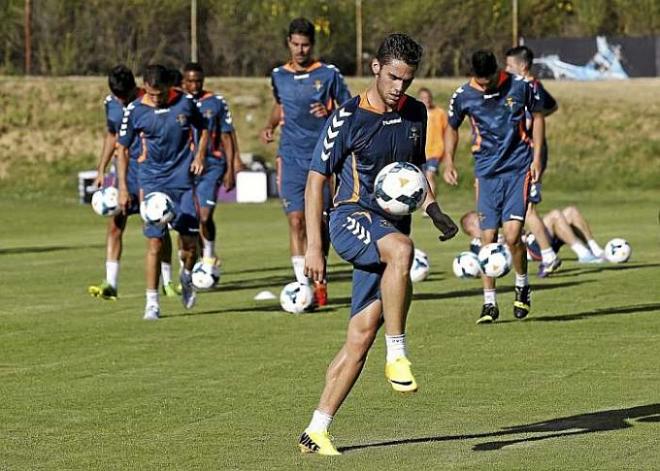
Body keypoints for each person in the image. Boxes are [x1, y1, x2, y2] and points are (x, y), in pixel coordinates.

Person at [299, 33, 458, 456]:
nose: (398, 88)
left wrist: (434, 210)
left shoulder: (417, 113)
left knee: (360, 335)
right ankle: (399, 353)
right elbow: (316, 179)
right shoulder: (346, 117)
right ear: (375, 68)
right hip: (351, 219)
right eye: (392, 78)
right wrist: (314, 246)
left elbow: (413, 172)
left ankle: (317, 429)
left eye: (406, 80)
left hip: (390, 229)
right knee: (403, 251)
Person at [443, 50, 544, 324]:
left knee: (512, 236)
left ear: (497, 72)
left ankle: (522, 285)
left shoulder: (519, 86)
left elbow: (539, 116)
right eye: (481, 83)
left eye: (490, 82)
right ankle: (489, 304)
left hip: (517, 169)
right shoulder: (463, 95)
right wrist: (449, 160)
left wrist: (537, 158)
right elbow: (451, 127)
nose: (486, 87)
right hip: (486, 174)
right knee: (486, 240)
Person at [260, 17, 351, 307]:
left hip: (322, 156)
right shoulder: (278, 75)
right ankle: (302, 287)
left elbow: (348, 109)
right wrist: (270, 125)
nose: (300, 50)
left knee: (320, 224)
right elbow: (280, 105)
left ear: (313, 45)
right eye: (296, 44)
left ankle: (320, 278)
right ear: (289, 43)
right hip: (290, 156)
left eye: (305, 45)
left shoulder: (328, 74)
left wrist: (329, 109)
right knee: (296, 221)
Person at [116, 65, 209, 320]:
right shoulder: (134, 110)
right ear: (144, 86)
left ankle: (187, 275)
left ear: (170, 88)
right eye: (151, 94)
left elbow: (204, 129)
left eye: (161, 94)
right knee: (155, 242)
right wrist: (124, 187)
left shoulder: (186, 103)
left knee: (190, 245)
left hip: (182, 181)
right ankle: (152, 303)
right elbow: (121, 149)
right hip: (152, 182)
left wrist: (200, 155)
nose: (155, 99)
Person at [505, 46, 597, 276]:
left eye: (509, 65)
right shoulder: (524, 88)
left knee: (526, 208)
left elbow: (546, 109)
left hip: (529, 156)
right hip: (522, 156)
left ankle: (549, 255)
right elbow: (552, 106)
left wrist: (534, 123)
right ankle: (550, 253)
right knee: (522, 208)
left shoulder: (531, 87)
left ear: (522, 66)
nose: (505, 69)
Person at [88, 65, 177, 300]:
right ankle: (111, 283)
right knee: (116, 224)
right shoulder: (111, 103)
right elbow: (112, 137)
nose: (120, 100)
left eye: (124, 96)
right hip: (124, 173)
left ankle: (168, 282)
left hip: (148, 172)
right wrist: (101, 169)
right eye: (117, 96)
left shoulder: (147, 101)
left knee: (159, 226)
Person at [181, 62, 235, 274]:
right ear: (183, 81)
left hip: (212, 165)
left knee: (204, 215)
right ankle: (188, 263)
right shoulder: (177, 104)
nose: (195, 85)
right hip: (183, 167)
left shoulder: (215, 102)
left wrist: (231, 167)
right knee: (185, 219)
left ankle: (209, 255)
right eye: (190, 81)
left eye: (198, 81)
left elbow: (227, 135)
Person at [460, 207, 605, 263]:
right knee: (555, 215)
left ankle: (596, 250)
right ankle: (584, 254)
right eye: (477, 220)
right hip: (531, 249)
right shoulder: (477, 244)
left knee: (571, 212)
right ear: (471, 229)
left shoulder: (492, 228)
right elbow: (483, 262)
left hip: (533, 239)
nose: (483, 219)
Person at [417, 87, 448, 199]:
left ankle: (431, 204)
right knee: (422, 178)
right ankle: (425, 203)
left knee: (430, 176)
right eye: (423, 98)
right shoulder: (417, 115)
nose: (427, 100)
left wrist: (446, 153)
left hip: (436, 151)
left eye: (428, 97)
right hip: (422, 152)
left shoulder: (440, 113)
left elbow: (447, 132)